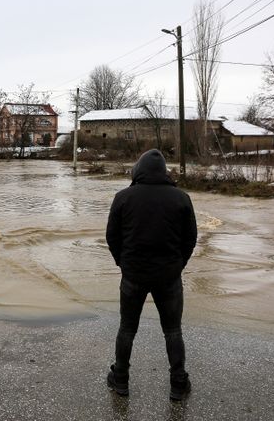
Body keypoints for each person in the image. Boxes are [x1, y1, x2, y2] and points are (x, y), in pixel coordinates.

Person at [105, 149, 197, 401]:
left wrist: (123, 263)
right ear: (164, 171)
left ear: (138, 170)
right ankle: (178, 383)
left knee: (127, 328)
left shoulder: (123, 197)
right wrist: (178, 264)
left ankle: (120, 379)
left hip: (133, 274)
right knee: (173, 330)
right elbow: (191, 239)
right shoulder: (181, 198)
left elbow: (112, 237)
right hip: (169, 275)